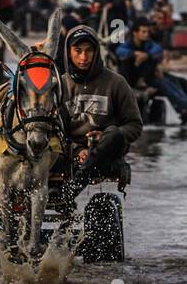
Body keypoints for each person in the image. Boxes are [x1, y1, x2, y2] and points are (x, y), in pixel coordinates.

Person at [57, 25, 144, 201]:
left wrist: (103, 136)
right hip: (71, 154)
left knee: (113, 132)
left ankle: (73, 187)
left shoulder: (116, 82)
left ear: (96, 52)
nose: (83, 57)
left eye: (89, 51)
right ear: (68, 52)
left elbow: (135, 125)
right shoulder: (60, 85)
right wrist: (77, 150)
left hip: (107, 152)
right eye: (78, 51)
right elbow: (56, 131)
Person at [116, 19, 187, 122]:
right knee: (165, 82)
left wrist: (147, 55)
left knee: (180, 81)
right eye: (143, 32)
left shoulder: (148, 44)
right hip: (138, 82)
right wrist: (134, 54)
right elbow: (119, 51)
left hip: (151, 77)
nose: (146, 34)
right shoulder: (128, 45)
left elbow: (158, 49)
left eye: (147, 32)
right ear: (135, 33)